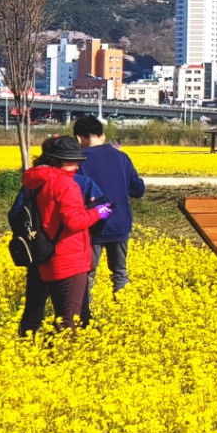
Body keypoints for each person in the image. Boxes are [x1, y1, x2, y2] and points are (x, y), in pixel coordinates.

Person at [17, 135, 111, 334]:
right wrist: (98, 212)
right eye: (71, 161)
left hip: (46, 253)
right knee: (69, 321)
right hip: (69, 256)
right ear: (55, 161)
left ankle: (36, 348)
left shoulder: (37, 182)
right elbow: (74, 221)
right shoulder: (65, 185)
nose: (76, 166)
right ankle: (63, 357)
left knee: (49, 313)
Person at [75, 115, 145, 319]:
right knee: (120, 273)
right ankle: (124, 314)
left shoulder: (79, 160)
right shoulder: (121, 157)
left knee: (87, 275)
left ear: (79, 138)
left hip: (93, 224)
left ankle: (83, 317)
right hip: (120, 223)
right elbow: (137, 190)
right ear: (102, 136)